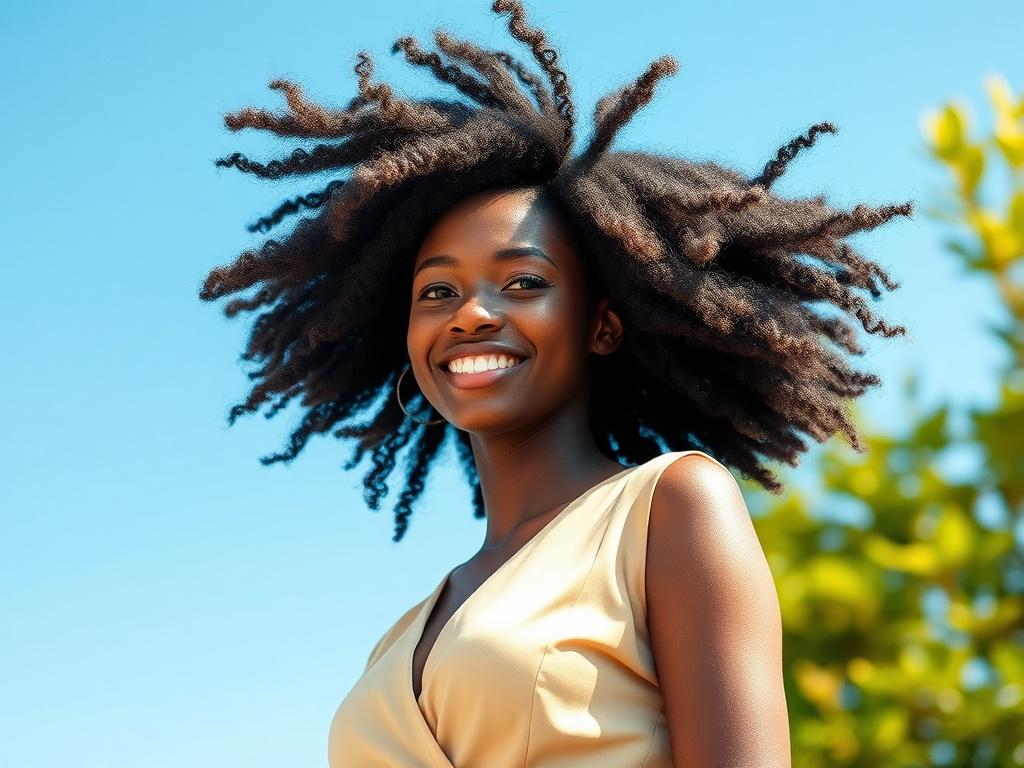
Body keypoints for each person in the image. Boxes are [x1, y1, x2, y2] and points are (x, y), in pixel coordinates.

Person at [200, 1, 912, 765]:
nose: (470, 314)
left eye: (524, 282)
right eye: (436, 293)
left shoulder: (668, 509)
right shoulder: (398, 639)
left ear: (602, 324)